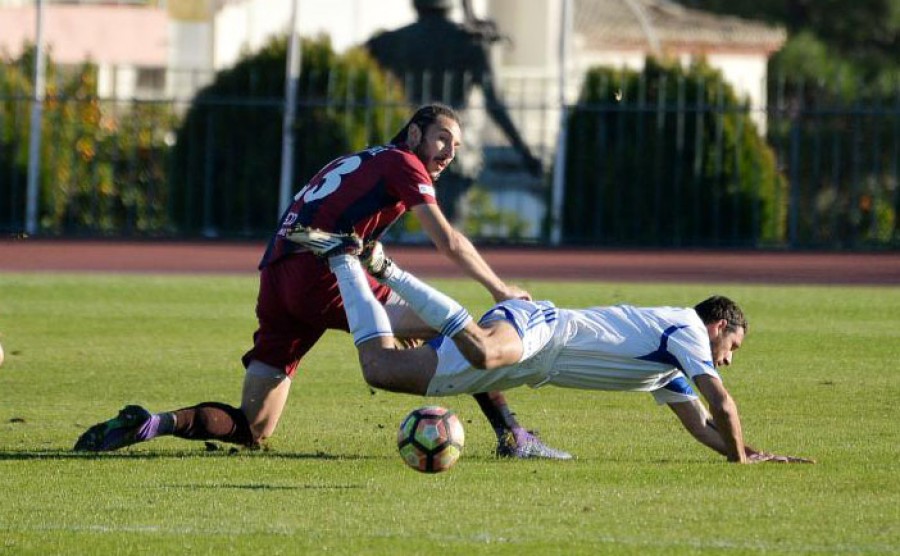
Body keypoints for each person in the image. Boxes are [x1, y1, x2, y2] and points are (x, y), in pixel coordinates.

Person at [73, 103, 570, 460]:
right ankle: (514, 437)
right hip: (321, 273)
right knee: (456, 328)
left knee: (253, 428)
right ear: (415, 132)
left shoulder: (363, 158)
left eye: (457, 146)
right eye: (443, 138)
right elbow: (449, 242)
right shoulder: (404, 163)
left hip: (278, 278)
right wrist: (501, 290)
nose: (449, 152)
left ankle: (151, 423)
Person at [288, 233, 814, 464]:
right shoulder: (688, 330)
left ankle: (343, 260)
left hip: (530, 365)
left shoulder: (669, 369)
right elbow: (722, 403)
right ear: (719, 325)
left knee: (380, 368)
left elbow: (702, 425)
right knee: (486, 353)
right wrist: (742, 461)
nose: (728, 358)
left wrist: (744, 452)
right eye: (733, 346)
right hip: (542, 327)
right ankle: (389, 269)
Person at [366, 0, 542, 220]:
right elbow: (495, 104)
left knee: (397, 223)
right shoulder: (471, 43)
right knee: (449, 227)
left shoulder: (389, 42)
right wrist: (525, 153)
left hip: (407, 142)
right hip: (453, 147)